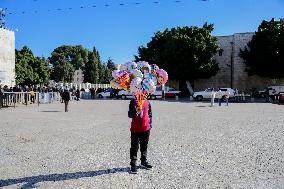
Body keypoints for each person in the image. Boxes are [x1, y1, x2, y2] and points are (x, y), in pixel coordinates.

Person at [128, 99, 153, 174]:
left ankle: (143, 161)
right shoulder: (133, 101)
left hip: (146, 128)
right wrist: (136, 112)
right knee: (134, 147)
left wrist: (150, 124)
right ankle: (133, 164)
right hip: (135, 129)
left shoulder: (147, 101)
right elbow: (129, 115)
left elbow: (150, 113)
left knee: (144, 146)